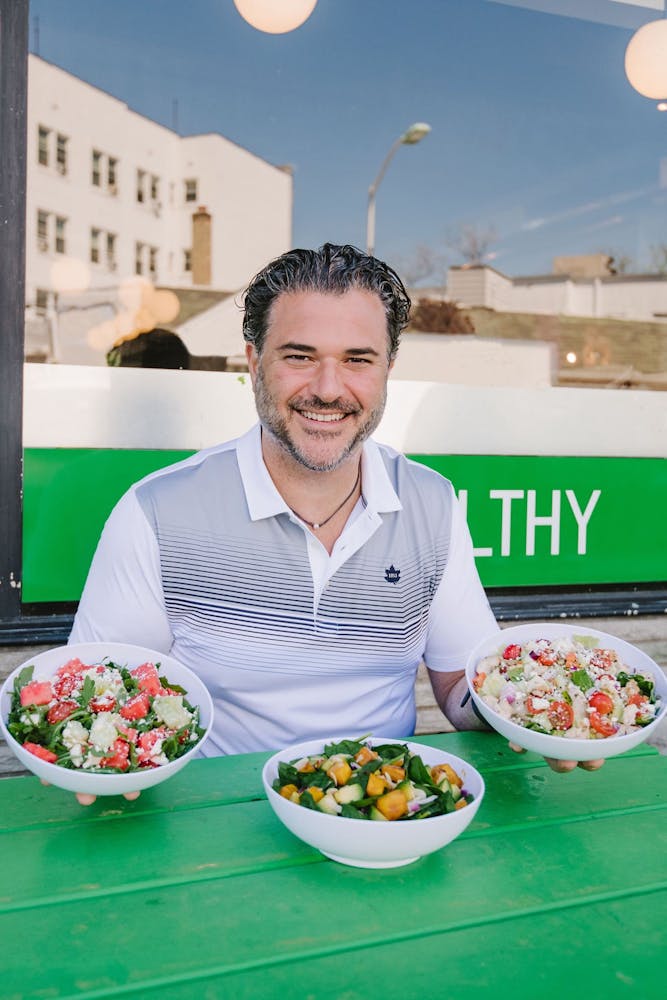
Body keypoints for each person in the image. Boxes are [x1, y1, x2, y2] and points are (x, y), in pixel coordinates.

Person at [70, 243, 601, 803]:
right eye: (299, 356)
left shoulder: (432, 503)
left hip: (388, 812)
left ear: (387, 369)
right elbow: (96, 692)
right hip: (214, 816)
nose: (328, 388)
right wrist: (103, 758)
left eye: (357, 359)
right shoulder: (157, 510)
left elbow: (459, 686)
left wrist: (536, 711)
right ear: (254, 362)